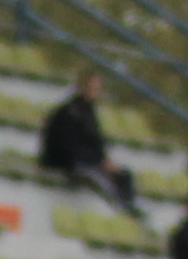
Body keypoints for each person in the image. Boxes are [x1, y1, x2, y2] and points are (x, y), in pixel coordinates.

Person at [42, 70, 134, 215]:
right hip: (68, 163)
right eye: (91, 88)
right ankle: (120, 210)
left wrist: (104, 161)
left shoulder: (88, 111)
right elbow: (69, 147)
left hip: (86, 160)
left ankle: (128, 210)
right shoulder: (69, 112)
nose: (95, 92)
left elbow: (96, 143)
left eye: (97, 89)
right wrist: (98, 161)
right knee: (105, 183)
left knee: (124, 176)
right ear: (81, 87)